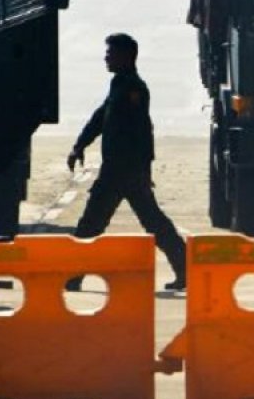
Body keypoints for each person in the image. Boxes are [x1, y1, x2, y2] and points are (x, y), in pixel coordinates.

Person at [67, 33, 187, 291]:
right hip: (119, 170)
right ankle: (185, 267)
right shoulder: (118, 85)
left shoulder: (134, 89)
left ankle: (72, 277)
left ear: (126, 56)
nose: (106, 58)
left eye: (111, 53)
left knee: (92, 224)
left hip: (124, 171)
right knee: (150, 221)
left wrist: (144, 169)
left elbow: (144, 132)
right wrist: (80, 144)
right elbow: (101, 117)